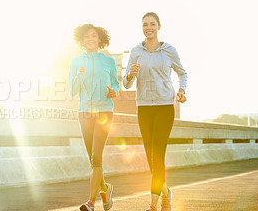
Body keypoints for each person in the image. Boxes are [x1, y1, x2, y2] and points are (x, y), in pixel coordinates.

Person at [123, 12, 188, 211]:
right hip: (143, 107)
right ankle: (166, 192)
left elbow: (182, 73)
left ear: (159, 26)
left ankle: (153, 204)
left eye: (152, 24)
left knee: (158, 153)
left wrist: (182, 90)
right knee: (150, 154)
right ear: (141, 28)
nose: (148, 27)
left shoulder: (169, 51)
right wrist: (130, 75)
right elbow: (126, 84)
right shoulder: (135, 51)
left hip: (165, 107)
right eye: (145, 24)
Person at [68, 24, 120, 211]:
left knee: (97, 158)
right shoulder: (76, 62)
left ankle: (91, 202)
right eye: (87, 36)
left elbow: (115, 83)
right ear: (81, 40)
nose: (90, 39)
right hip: (84, 113)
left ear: (100, 40)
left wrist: (114, 91)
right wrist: (80, 76)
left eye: (94, 36)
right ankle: (105, 190)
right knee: (93, 159)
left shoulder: (109, 61)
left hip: (104, 111)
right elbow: (71, 91)